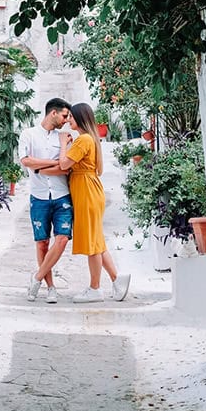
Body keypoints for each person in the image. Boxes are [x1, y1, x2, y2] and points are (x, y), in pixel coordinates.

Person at [58, 102, 131, 303]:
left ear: (80, 118)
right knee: (97, 241)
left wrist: (64, 144)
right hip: (90, 188)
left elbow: (64, 164)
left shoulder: (83, 140)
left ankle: (95, 288)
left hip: (86, 192)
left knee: (91, 243)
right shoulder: (90, 139)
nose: (68, 120)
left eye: (71, 117)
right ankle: (117, 280)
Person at [19, 97, 73, 304]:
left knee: (62, 238)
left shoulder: (65, 138)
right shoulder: (28, 135)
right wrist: (53, 162)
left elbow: (66, 166)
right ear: (53, 113)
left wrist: (41, 166)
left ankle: (36, 278)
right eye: (64, 115)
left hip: (62, 195)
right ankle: (50, 287)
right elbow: (26, 161)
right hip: (39, 196)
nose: (67, 120)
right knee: (42, 243)